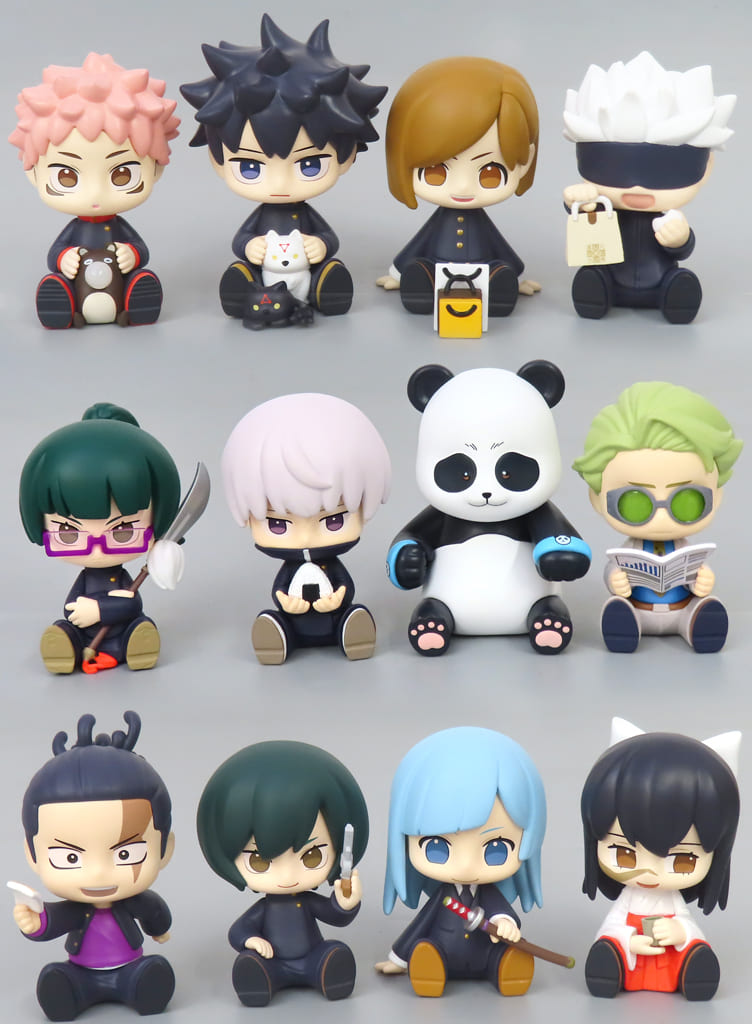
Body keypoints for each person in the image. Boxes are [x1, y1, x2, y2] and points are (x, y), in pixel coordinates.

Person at [13, 712, 175, 1020]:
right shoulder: (75, 910)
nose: (99, 872)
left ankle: (143, 984)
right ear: (32, 855)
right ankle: (68, 989)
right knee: (64, 978)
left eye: (125, 854)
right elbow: (54, 920)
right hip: (82, 972)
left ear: (164, 849)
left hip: (129, 967)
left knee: (146, 973)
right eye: (70, 858)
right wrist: (36, 923)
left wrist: (160, 928)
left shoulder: (135, 901)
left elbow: (153, 910)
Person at [10, 53, 179, 328]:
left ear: (156, 169)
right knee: (61, 280)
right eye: (66, 176)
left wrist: (132, 254)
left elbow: (140, 250)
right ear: (33, 173)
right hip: (81, 286)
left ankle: (134, 301)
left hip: (117, 286)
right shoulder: (76, 230)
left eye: (122, 174)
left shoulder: (118, 227)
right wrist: (64, 259)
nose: (95, 194)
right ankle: (64, 303)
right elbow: (55, 254)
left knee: (137, 276)